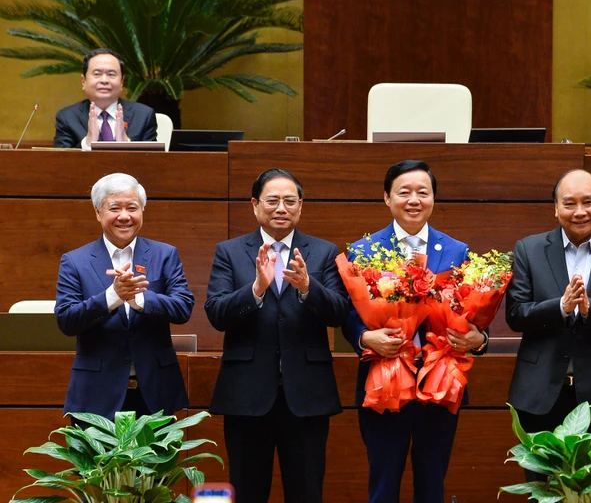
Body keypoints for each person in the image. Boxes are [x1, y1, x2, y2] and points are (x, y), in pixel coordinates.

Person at [343, 159, 484, 503]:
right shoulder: (363, 250)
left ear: (434, 198)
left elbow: (475, 311)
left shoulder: (456, 251)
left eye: (423, 192)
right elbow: (346, 310)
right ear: (387, 199)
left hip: (440, 384)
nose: (414, 200)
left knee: (432, 483)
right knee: (383, 483)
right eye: (404, 192)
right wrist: (364, 336)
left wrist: (478, 340)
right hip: (384, 380)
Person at [205, 168, 350, 503]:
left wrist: (308, 288)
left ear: (301, 206)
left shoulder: (324, 252)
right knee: (248, 491)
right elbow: (215, 313)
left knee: (306, 492)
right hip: (247, 394)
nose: (281, 208)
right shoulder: (229, 251)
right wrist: (255, 289)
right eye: (272, 200)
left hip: (307, 394)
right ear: (255, 205)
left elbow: (340, 312)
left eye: (289, 201)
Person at [505, 169, 591, 446]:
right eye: (569, 203)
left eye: (588, 202)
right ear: (556, 208)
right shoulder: (529, 250)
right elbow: (516, 314)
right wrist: (561, 306)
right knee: (541, 485)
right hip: (539, 395)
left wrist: (589, 308)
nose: (579, 211)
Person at [55, 172, 193, 420]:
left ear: (142, 211)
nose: (124, 216)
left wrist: (139, 299)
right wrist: (113, 296)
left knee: (156, 460)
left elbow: (183, 307)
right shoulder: (75, 261)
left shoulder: (165, 254)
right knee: (99, 461)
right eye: (114, 208)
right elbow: (66, 320)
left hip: (155, 392)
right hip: (96, 394)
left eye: (132, 207)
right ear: (98, 212)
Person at [54, 48, 157, 149]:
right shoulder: (67, 118)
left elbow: (154, 163)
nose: (104, 80)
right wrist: (88, 143)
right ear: (83, 81)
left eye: (111, 74)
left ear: (122, 82)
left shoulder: (143, 116)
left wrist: (126, 144)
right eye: (97, 74)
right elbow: (60, 162)